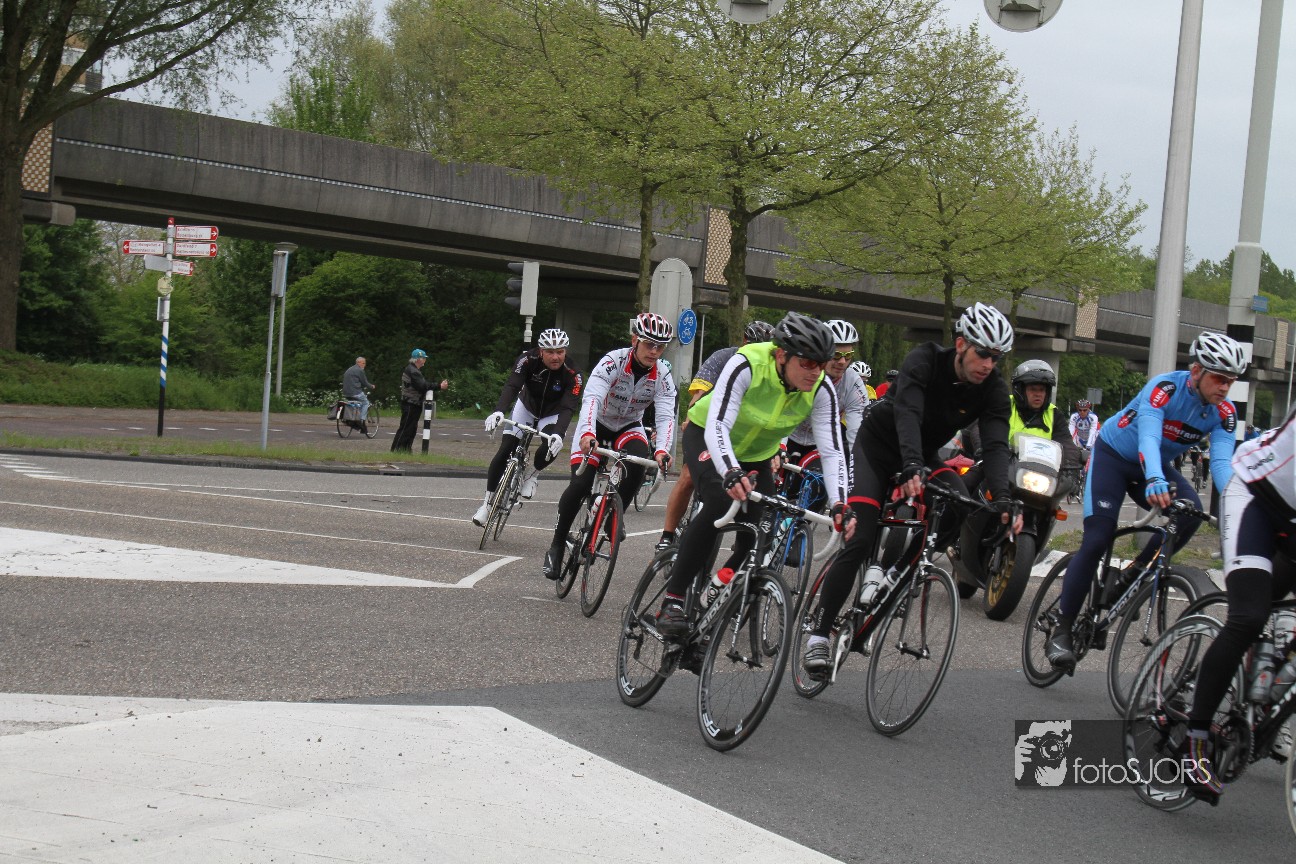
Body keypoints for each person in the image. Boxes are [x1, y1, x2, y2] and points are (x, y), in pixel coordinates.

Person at [803, 302, 1020, 676]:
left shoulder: (993, 389)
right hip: (878, 447)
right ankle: (819, 636)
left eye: (996, 358)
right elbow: (908, 413)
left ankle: (898, 573)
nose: (988, 364)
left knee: (961, 504)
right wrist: (910, 464)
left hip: (922, 456)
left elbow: (997, 446)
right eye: (983, 353)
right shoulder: (926, 359)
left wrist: (1003, 497)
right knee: (859, 538)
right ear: (961, 344)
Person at [1044, 331, 1247, 673]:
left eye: (1231, 380)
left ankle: (1133, 574)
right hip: (1114, 458)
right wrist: (1154, 478)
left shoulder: (1224, 413)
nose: (1225, 387)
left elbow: (1223, 465)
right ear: (1197, 371)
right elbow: (1149, 437)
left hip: (1153, 467)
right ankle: (1061, 630)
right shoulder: (1165, 388)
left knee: (1191, 513)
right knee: (1097, 539)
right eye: (1219, 378)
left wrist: (1242, 506)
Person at [654, 312, 855, 638]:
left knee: (758, 535)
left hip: (757, 455)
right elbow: (718, 423)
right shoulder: (747, 363)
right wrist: (730, 471)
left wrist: (840, 503)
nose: (815, 372)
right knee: (719, 501)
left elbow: (832, 451)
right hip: (708, 435)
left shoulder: (820, 389)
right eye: (807, 363)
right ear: (781, 354)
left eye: (821, 364)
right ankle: (673, 601)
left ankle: (712, 598)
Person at [1179, 405, 1296, 804]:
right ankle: (1194, 741)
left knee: (1272, 611)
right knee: (1249, 616)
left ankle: (1267, 696)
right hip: (1255, 497)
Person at [541, 312, 678, 580]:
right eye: (649, 344)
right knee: (580, 485)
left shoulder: (662, 375)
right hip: (597, 423)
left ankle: (614, 516)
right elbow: (591, 398)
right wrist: (587, 433)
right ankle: (556, 545)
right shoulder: (612, 362)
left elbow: (665, 416)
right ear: (635, 340)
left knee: (638, 464)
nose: (654, 351)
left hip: (628, 426)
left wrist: (663, 449)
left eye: (660, 347)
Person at [655, 320, 774, 550]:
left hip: (744, 438)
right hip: (711, 426)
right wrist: (690, 417)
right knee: (687, 477)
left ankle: (744, 547)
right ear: (745, 342)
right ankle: (666, 536)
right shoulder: (723, 357)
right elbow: (700, 393)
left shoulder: (770, 371)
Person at [472, 329, 583, 526]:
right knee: (505, 450)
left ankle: (532, 475)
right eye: (550, 352)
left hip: (552, 413)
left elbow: (568, 407)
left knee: (551, 446)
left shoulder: (574, 374)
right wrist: (499, 411)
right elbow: (512, 386)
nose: (555, 357)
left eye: (560, 352)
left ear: (565, 351)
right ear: (541, 351)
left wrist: (558, 434)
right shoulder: (527, 360)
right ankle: (486, 505)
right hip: (526, 407)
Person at [783, 319, 868, 514]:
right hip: (788, 434)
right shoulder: (803, 370)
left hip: (818, 442)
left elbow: (856, 436)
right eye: (837, 355)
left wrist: (855, 475)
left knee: (820, 484)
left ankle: (799, 525)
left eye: (848, 356)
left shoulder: (853, 384)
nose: (842, 362)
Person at [390, 349, 449, 453]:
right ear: (418, 359)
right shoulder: (413, 371)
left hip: (412, 402)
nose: (425, 360)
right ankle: (397, 449)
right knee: (406, 428)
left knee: (411, 428)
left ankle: (405, 449)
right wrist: (439, 386)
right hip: (411, 403)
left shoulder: (412, 369)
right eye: (423, 358)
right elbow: (423, 386)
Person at [342, 357, 375, 425]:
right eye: (363, 363)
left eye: (365, 363)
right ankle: (362, 421)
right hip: (355, 392)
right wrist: (371, 386)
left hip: (346, 393)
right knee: (366, 403)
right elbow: (364, 382)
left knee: (355, 404)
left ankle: (351, 418)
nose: (364, 365)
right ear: (358, 363)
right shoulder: (359, 370)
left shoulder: (349, 369)